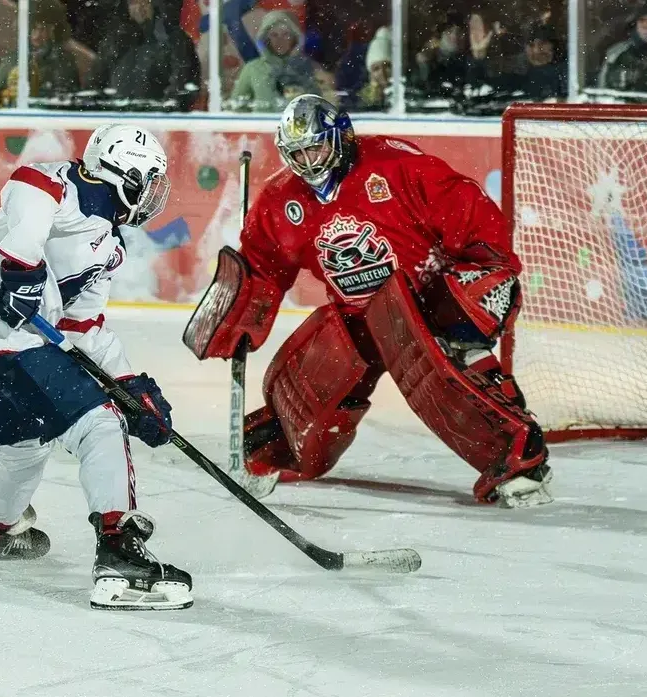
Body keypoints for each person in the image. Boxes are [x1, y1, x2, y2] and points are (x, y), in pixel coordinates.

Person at [183, 95, 553, 509]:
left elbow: (463, 205)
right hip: (360, 313)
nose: (309, 161)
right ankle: (281, 441)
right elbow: (262, 264)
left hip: (431, 296)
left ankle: (519, 455)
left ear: (341, 138)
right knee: (320, 378)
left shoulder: (393, 165)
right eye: (298, 153)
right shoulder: (281, 201)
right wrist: (244, 316)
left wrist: (485, 263)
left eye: (316, 147)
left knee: (451, 357)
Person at [0, 124, 192, 611]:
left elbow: (84, 328)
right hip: (1, 334)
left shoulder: (109, 246)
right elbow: (26, 188)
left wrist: (132, 385)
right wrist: (22, 266)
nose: (154, 194)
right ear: (124, 173)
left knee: (24, 442)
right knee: (100, 423)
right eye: (149, 180)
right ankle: (120, 550)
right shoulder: (59, 185)